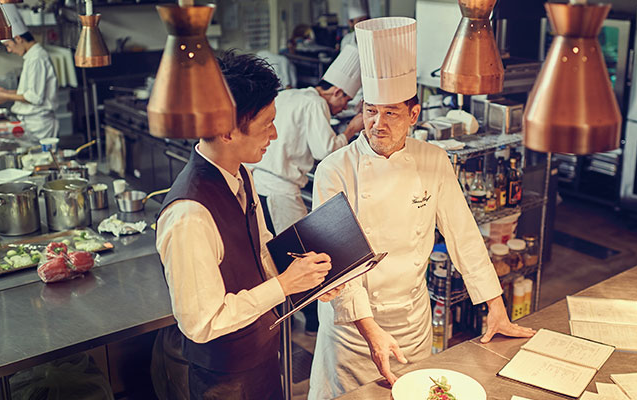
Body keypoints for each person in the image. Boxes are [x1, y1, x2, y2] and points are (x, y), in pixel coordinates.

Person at [307, 17, 535, 399]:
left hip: (412, 322)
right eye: (370, 111)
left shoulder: (433, 160)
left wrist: (495, 306)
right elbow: (340, 265)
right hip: (354, 331)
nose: (377, 124)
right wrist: (370, 331)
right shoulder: (335, 169)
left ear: (413, 115)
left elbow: (464, 235)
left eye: (391, 113)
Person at [155, 50, 341, 400]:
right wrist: (284, 285)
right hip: (225, 378)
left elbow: (261, 249)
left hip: (263, 352)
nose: (275, 133)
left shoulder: (241, 174)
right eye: (266, 123)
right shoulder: (188, 214)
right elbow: (202, 322)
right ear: (226, 131)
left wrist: (306, 283)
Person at [250, 44, 363, 335]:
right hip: (281, 191)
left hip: (259, 185)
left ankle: (281, 318)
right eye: (345, 101)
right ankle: (310, 321)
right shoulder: (315, 104)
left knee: (269, 256)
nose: (342, 108)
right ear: (337, 92)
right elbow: (326, 150)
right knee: (303, 257)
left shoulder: (291, 94)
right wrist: (351, 129)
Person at [0, 4, 58, 140]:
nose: (9, 50)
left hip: (39, 126)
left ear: (18, 39)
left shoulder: (37, 58)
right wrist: (7, 92)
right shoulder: (32, 57)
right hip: (32, 123)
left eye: (8, 45)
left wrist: (5, 96)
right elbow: (31, 91)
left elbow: (34, 97)